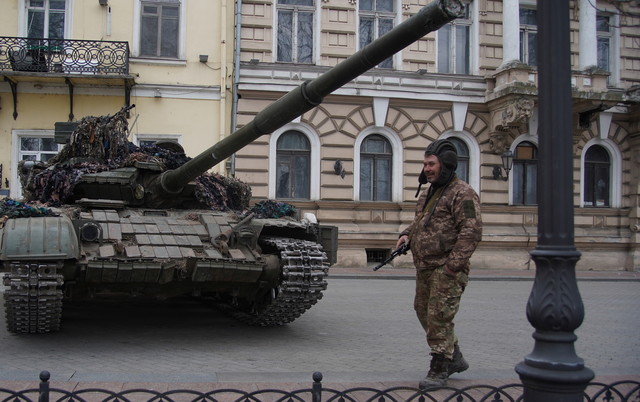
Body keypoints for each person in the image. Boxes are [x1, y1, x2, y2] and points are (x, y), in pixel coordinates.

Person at [395, 139, 482, 389]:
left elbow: (471, 231)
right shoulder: (428, 192)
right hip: (425, 266)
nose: (427, 169)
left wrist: (452, 267)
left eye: (431, 164)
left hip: (446, 268)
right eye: (425, 164)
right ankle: (454, 356)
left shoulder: (462, 192)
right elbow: (421, 223)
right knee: (423, 311)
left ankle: (439, 368)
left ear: (446, 165)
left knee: (438, 316)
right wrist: (406, 235)